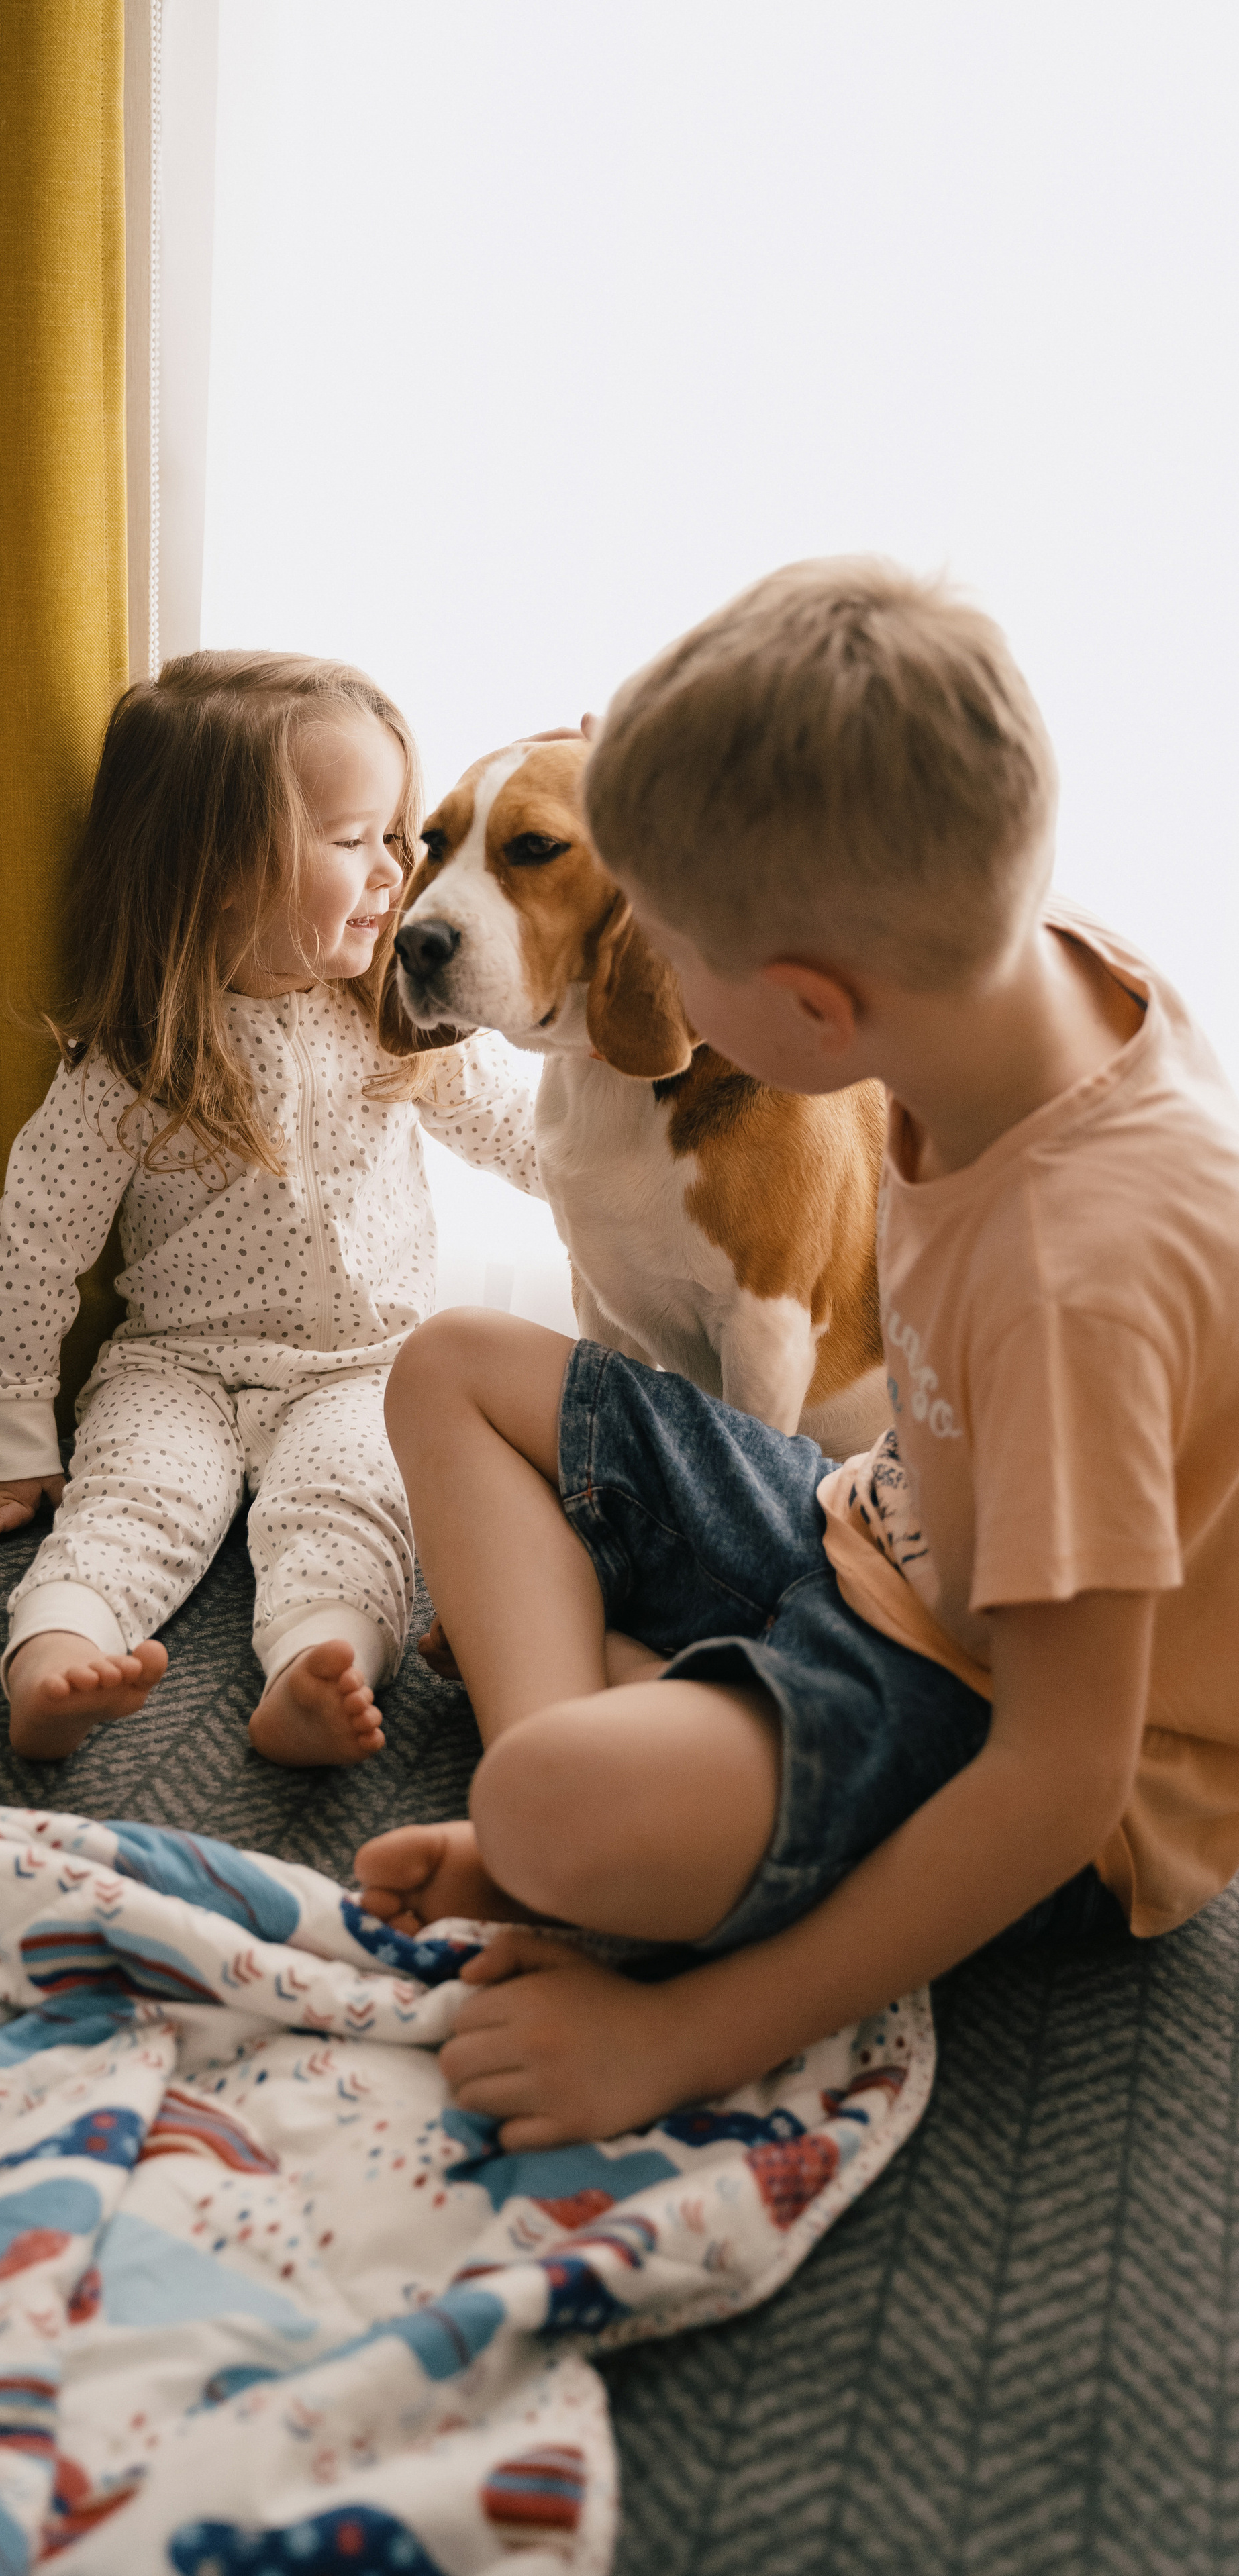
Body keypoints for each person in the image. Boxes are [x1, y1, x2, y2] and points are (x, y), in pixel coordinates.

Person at [355, 559, 1239, 2148]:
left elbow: (1058, 1777)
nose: (647, 986)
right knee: (444, 1362)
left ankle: (607, 1785)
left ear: (809, 1015)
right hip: (878, 1521)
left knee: (543, 1807)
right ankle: (624, 1743)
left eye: (666, 956)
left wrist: (681, 2038)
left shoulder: (1078, 1279)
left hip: (1006, 1719)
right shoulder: (1017, 973)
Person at [0, 650, 538, 1767]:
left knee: (353, 1520)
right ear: (217, 868)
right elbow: (32, 1248)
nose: (398, 873)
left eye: (401, 838)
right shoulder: (135, 1061)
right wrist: (14, 1445)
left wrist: (656, 1164)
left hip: (367, 1369)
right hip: (178, 1365)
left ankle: (321, 1671)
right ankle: (51, 1668)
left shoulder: (397, 1016)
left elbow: (533, 1140)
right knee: (127, 1513)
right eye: (356, 842)